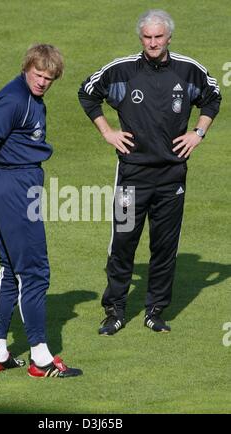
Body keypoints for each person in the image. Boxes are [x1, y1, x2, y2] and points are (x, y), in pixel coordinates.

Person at [78, 10, 221, 335]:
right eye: (147, 37)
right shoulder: (122, 70)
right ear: (140, 37)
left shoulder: (189, 70)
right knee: (123, 245)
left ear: (169, 37)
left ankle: (155, 311)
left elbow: (213, 98)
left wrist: (197, 134)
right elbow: (87, 93)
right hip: (132, 176)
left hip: (172, 177)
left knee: (164, 247)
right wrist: (107, 132)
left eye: (159, 37)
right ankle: (114, 311)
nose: (153, 42)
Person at [0, 43, 82, 378]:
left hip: (17, 183)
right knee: (35, 272)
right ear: (26, 68)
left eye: (49, 78)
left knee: (11, 267)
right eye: (38, 75)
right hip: (15, 188)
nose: (42, 82)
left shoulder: (31, 98)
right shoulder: (14, 98)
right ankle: (41, 358)